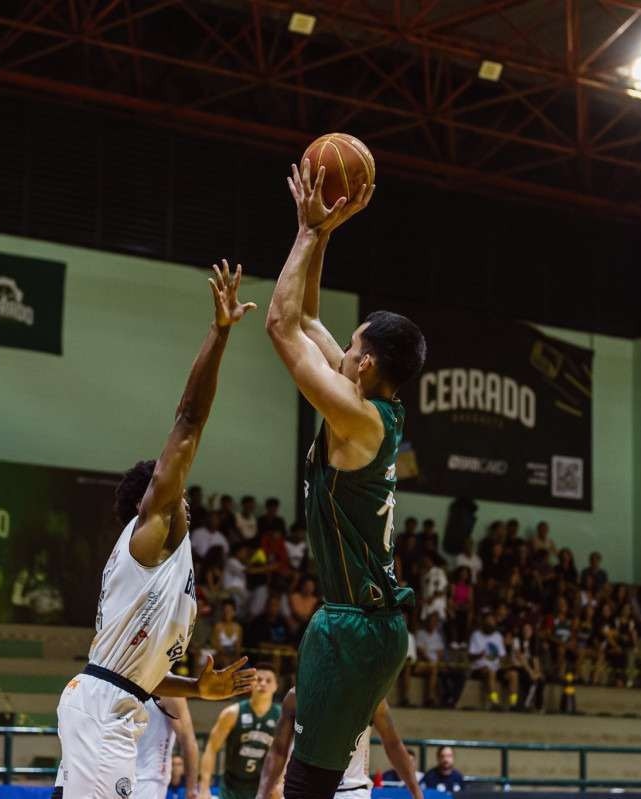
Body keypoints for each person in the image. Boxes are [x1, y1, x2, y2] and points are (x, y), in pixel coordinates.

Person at [54, 263, 258, 799]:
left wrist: (196, 687)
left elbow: (138, 670)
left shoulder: (162, 562)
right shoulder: (152, 535)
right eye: (177, 487)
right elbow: (189, 418)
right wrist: (219, 332)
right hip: (103, 713)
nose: (186, 490)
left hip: (110, 701)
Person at [268, 159, 424, 797]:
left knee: (307, 786)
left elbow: (280, 325)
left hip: (354, 625)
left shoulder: (357, 419)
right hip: (368, 622)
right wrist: (326, 231)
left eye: (352, 345)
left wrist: (305, 234)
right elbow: (306, 318)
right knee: (319, 779)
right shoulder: (373, 405)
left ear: (363, 365)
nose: (344, 347)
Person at [256, 686, 422, 799]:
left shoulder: (370, 696)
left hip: (350, 791)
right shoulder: (298, 694)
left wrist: (417, 793)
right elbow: (278, 750)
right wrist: (262, 794)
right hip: (304, 790)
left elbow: (393, 744)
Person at [199, 666, 280, 799]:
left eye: (268, 680)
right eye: (258, 679)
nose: (263, 683)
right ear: (251, 683)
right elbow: (211, 748)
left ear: (276, 686)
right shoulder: (232, 713)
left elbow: (284, 754)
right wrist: (204, 788)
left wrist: (280, 783)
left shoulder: (280, 716)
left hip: (263, 786)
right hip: (232, 785)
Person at [135, 699, 198, 799]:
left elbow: (188, 741)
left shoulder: (169, 692)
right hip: (118, 771)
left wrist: (191, 789)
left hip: (148, 779)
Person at [469, 612, 518, 711]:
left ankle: (513, 703)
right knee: (491, 671)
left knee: (513, 674)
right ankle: (494, 701)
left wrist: (508, 663)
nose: (491, 624)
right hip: (480, 668)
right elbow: (470, 656)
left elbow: (502, 656)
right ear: (483, 623)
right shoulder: (476, 635)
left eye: (493, 622)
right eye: (489, 622)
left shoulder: (497, 636)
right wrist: (480, 655)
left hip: (496, 667)